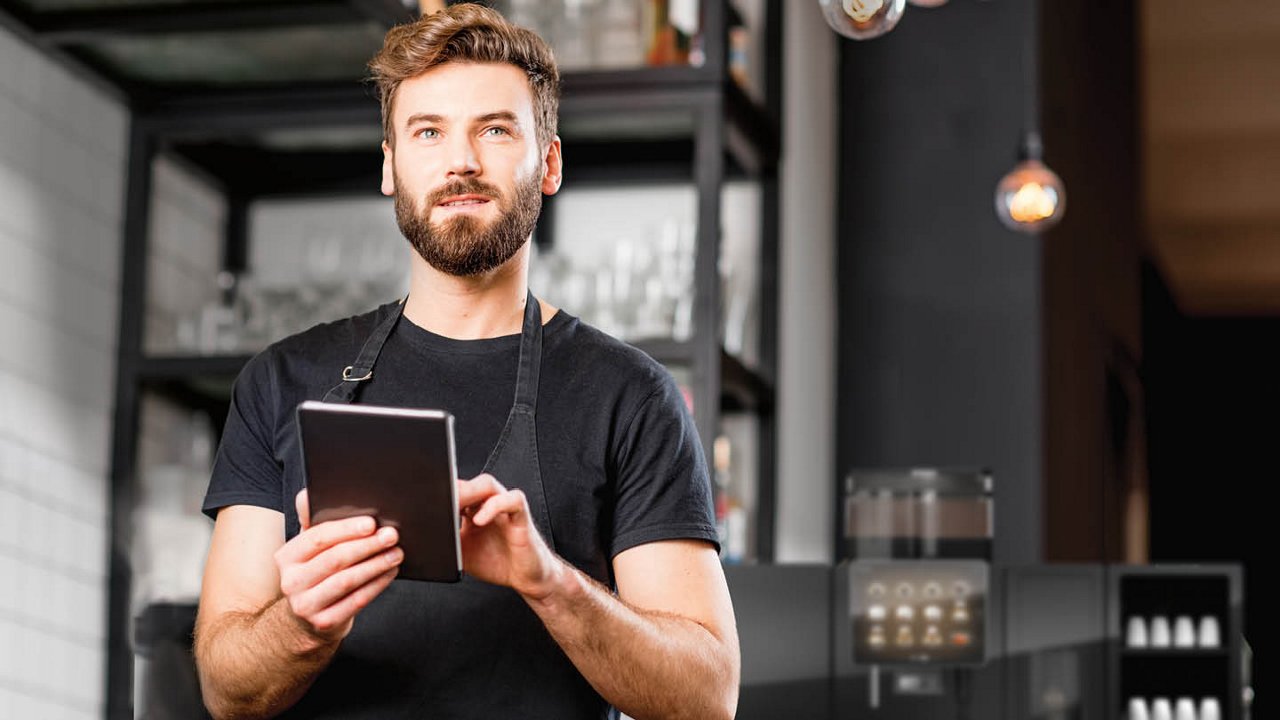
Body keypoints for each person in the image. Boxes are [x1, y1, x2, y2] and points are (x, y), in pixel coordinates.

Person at [191, 4, 739, 719]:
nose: (461, 161)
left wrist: (549, 582)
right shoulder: (281, 381)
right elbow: (225, 689)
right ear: (391, 166)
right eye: (428, 132)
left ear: (549, 164)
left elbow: (707, 696)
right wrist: (303, 621)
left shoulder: (629, 396)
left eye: (495, 129)